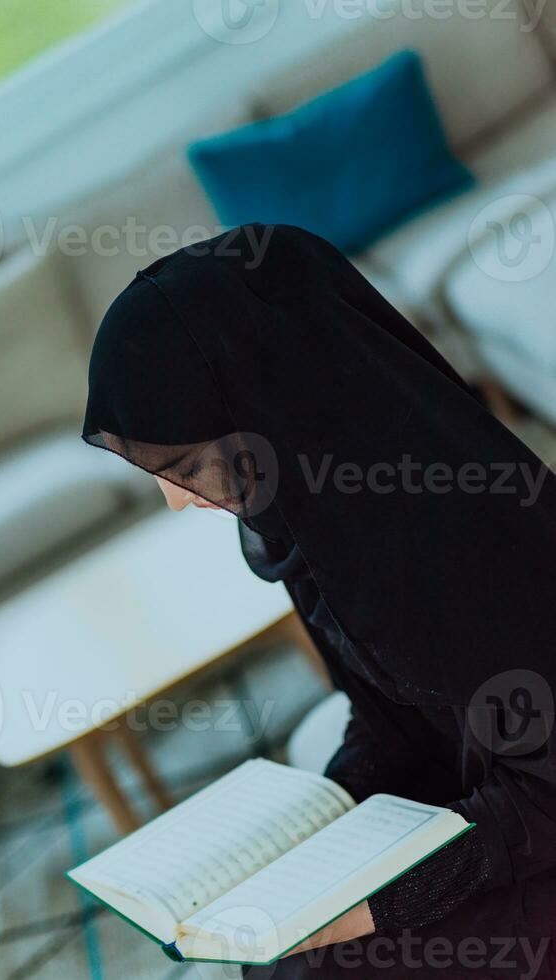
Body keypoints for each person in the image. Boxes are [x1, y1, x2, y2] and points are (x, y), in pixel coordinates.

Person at [81, 224, 556, 978]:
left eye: (183, 464)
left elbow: (543, 799)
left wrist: (370, 905)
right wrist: (308, 828)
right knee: (274, 953)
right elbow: (392, 727)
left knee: (315, 964)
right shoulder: (317, 524)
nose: (176, 502)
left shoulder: (465, 537)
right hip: (503, 822)